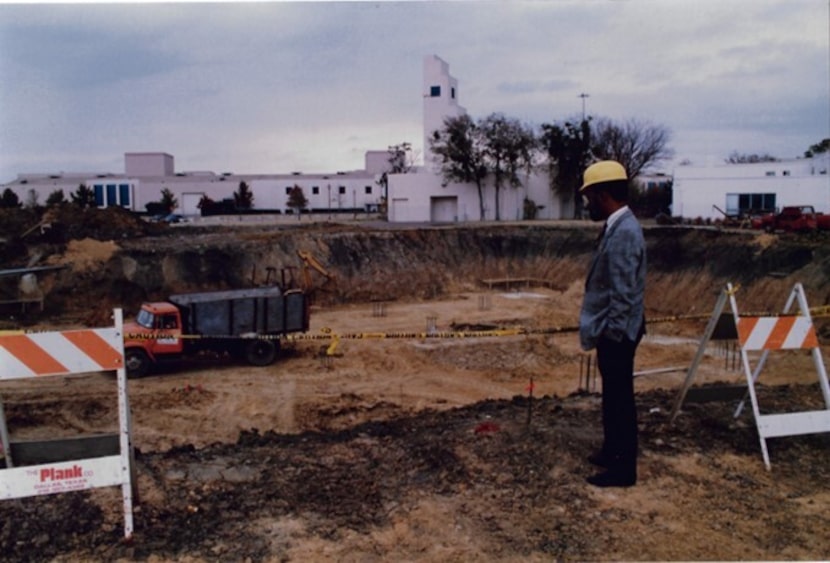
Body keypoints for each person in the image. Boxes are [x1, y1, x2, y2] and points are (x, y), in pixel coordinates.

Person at [578, 160, 646, 488]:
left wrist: (614, 334)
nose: (587, 203)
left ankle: (622, 470)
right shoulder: (616, 226)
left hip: (617, 332)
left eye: (589, 196)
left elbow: (623, 292)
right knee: (613, 396)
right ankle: (612, 451)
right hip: (613, 328)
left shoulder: (625, 232)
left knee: (620, 400)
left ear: (603, 194)